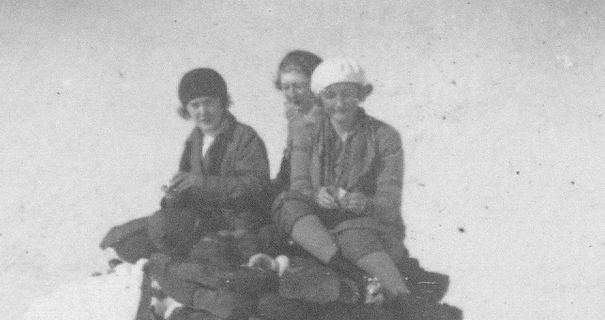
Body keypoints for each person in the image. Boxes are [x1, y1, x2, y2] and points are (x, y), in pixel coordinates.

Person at [272, 57, 411, 298]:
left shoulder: (384, 136)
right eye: (330, 95)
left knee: (353, 235)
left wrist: (366, 203)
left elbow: (390, 202)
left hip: (365, 224)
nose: (339, 103)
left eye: (348, 94)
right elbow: (299, 185)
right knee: (286, 203)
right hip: (319, 221)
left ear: (362, 94)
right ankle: (351, 273)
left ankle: (401, 297)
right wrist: (316, 196)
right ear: (320, 98)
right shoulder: (307, 132)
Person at [101, 67, 270, 262]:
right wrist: (174, 196)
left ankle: (197, 255)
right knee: (126, 239)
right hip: (198, 218)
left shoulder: (244, 137)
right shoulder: (195, 140)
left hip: (232, 222)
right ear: (186, 109)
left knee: (161, 226)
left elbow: (256, 187)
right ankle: (192, 254)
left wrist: (201, 183)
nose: (202, 112)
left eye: (209, 103)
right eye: (194, 105)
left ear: (223, 103)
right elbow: (187, 188)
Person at [272, 50, 323, 194]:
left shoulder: (322, 119)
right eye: (286, 87)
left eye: (298, 87)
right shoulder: (295, 116)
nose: (292, 94)